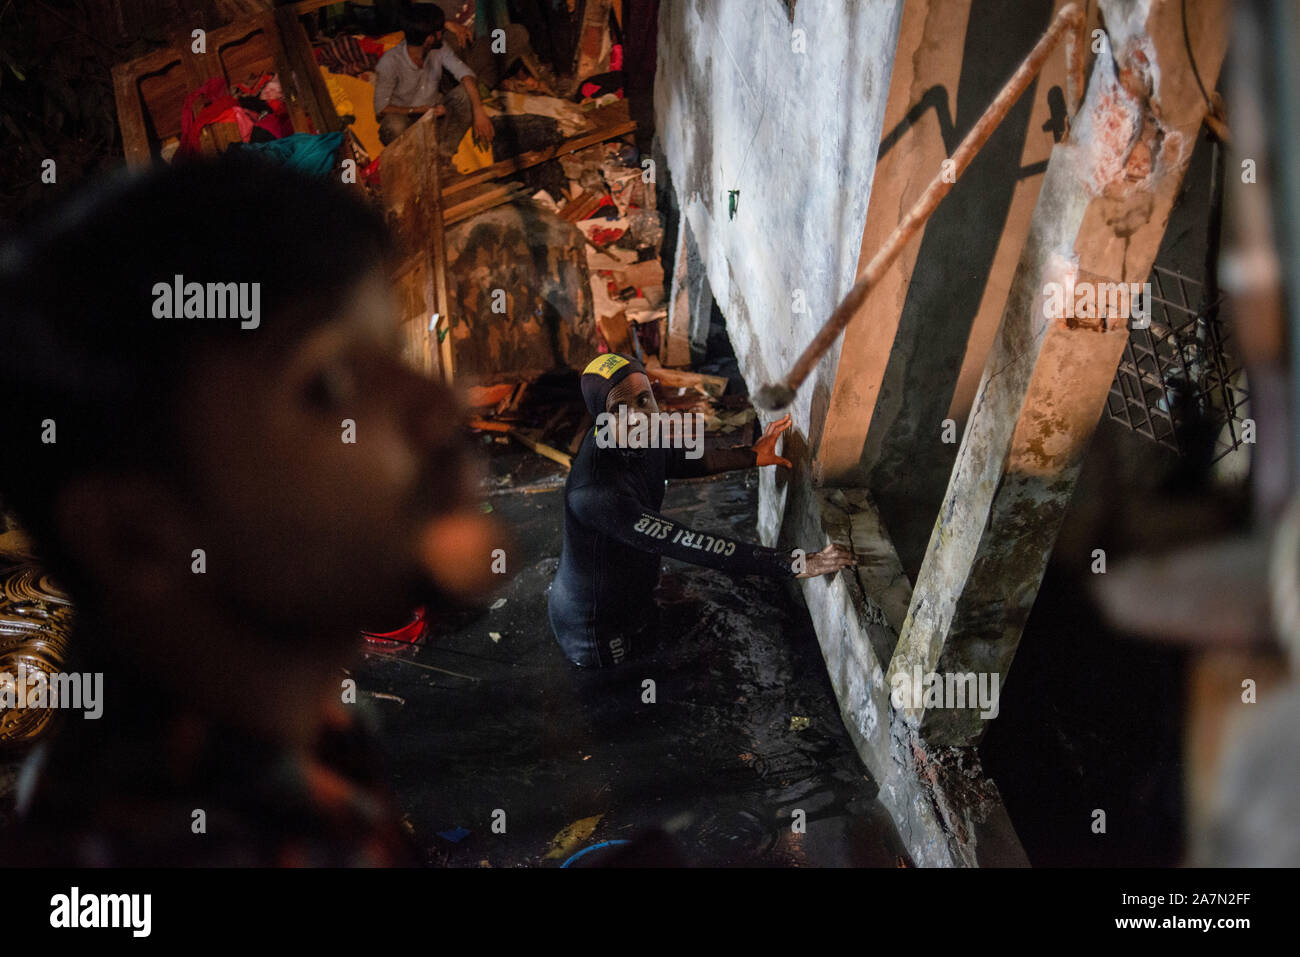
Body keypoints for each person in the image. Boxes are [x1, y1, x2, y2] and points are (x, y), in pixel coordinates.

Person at [0, 157, 499, 866]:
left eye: (391, 348)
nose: (441, 405)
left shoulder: (287, 728)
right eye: (326, 384)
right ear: (136, 536)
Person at [547, 354, 857, 669]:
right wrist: (792, 563)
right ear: (602, 419)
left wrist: (749, 456)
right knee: (626, 700)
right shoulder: (595, 494)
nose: (638, 416)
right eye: (619, 410)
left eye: (644, 399)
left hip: (634, 595)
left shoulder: (637, 436)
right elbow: (689, 543)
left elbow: (672, 459)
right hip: (596, 629)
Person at [373, 8, 495, 151]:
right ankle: (416, 154)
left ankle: (444, 153)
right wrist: (417, 110)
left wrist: (479, 111)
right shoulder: (390, 62)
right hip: (406, 118)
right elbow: (381, 109)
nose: (442, 33)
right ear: (429, 39)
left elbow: (465, 75)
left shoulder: (440, 48)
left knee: (465, 93)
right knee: (394, 126)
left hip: (435, 115)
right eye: (439, 31)